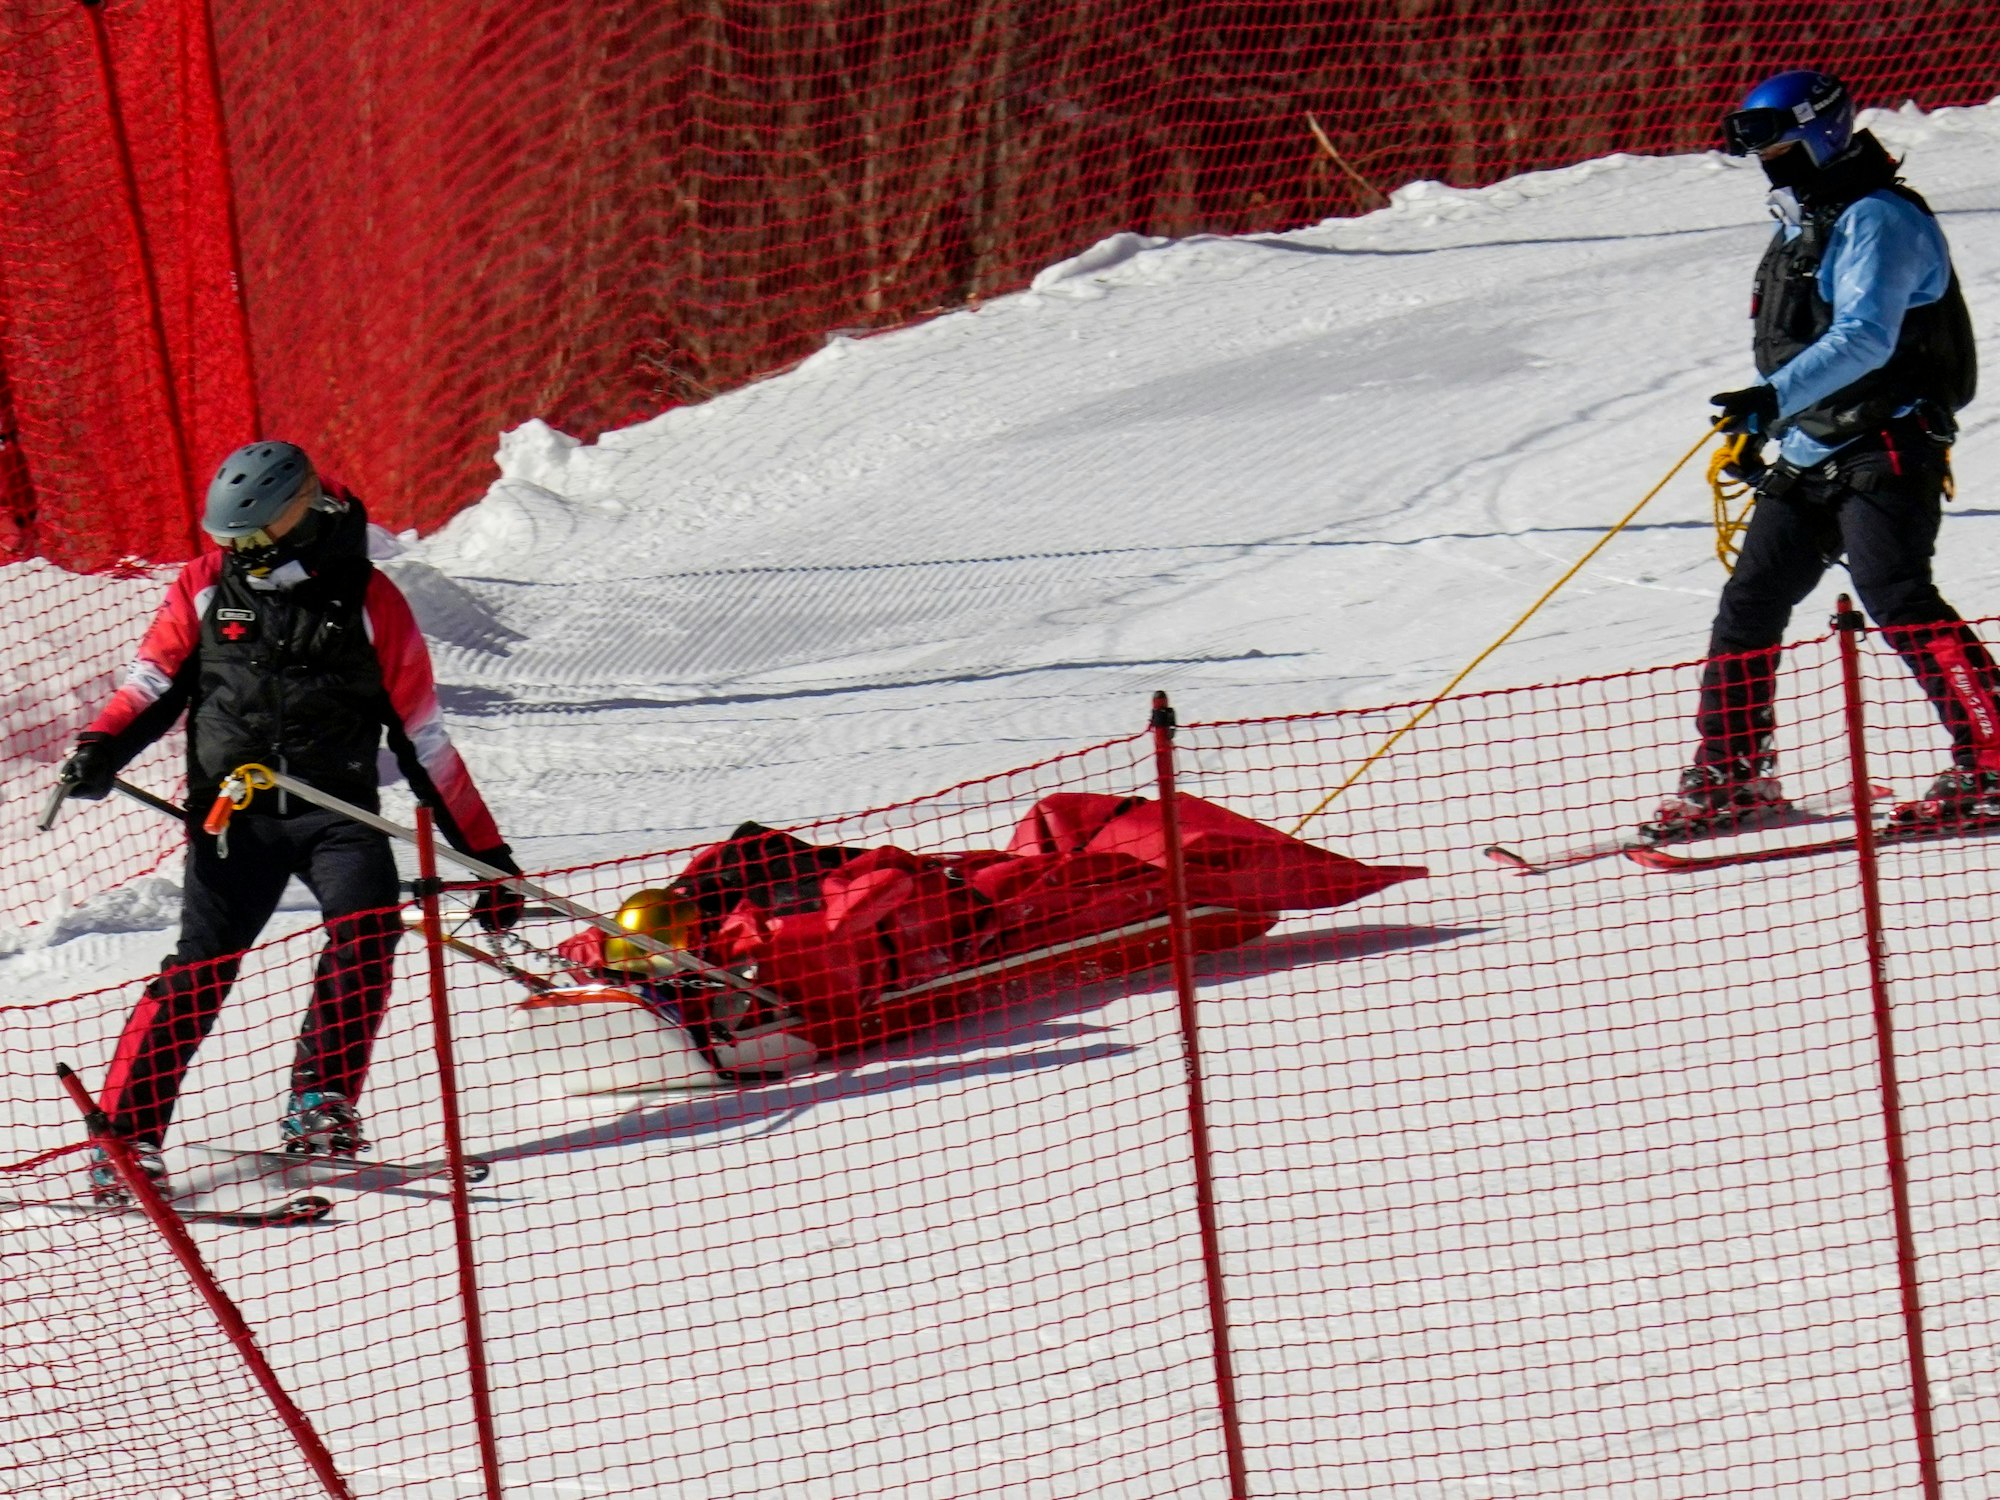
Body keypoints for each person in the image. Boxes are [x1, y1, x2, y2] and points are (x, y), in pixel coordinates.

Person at [56, 441, 523, 1198]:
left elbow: (425, 740)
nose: (239, 553)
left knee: (367, 930)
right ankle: (127, 1139)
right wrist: (100, 746)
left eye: (252, 537)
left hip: (335, 812)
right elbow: (152, 683)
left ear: (298, 515)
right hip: (233, 814)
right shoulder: (206, 585)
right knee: (201, 967)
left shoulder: (372, 600)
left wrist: (486, 857)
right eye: (227, 539)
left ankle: (320, 1103)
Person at [1650, 68, 1997, 841]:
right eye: (1762, 153)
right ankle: (1732, 772)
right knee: (1750, 602)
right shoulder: (1801, 223)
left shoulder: (1880, 218)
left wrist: (1770, 399)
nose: (1770, 164)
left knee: (1896, 594)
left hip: (1889, 438)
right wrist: (1762, 425)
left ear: (1821, 134)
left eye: (1780, 147)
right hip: (1813, 446)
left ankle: (1994, 756)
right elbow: (1798, 345)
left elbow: (1865, 338)